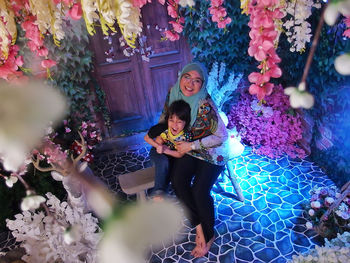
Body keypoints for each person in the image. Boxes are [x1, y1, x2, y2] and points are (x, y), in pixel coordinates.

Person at [158, 62, 229, 258]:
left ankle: (209, 234)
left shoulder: (204, 104)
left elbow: (221, 137)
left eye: (197, 80)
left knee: (199, 190)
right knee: (178, 180)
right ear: (180, 77)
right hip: (189, 147)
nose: (190, 84)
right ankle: (199, 227)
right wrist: (158, 136)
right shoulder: (174, 92)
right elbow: (165, 117)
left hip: (213, 152)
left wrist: (191, 146)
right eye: (187, 77)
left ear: (203, 84)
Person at [144, 100, 193, 200]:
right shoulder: (164, 130)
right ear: (168, 120)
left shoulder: (185, 136)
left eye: (179, 122)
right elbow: (151, 140)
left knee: (171, 169)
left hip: (170, 154)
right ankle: (158, 192)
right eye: (172, 120)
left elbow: (179, 154)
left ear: (185, 123)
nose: (174, 125)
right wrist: (158, 146)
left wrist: (165, 150)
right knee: (163, 162)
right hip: (157, 153)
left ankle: (156, 192)